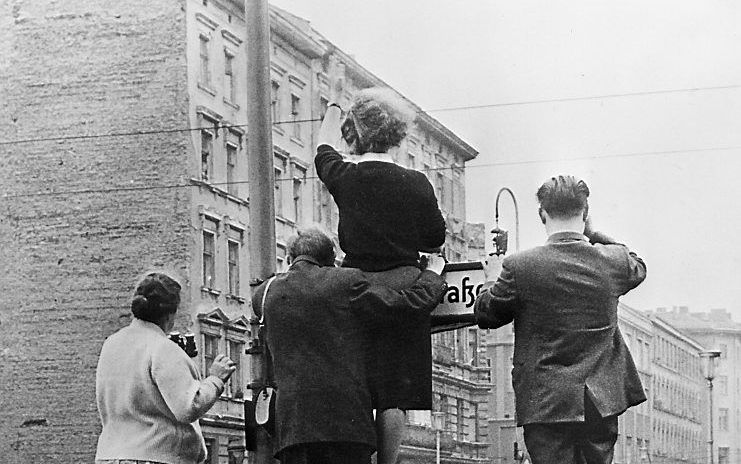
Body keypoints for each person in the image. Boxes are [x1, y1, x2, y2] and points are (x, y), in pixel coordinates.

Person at [315, 65, 446, 464]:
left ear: (355, 132)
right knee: (395, 393)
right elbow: (434, 238)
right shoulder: (417, 182)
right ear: (396, 134)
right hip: (406, 287)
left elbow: (321, 148)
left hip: (356, 289)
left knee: (358, 381)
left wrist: (336, 105)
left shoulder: (345, 177)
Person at [473, 175, 647, 464]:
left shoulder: (520, 266)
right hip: (600, 401)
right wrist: (595, 235)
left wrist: (491, 278)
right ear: (586, 212)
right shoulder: (613, 262)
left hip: (545, 401)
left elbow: (486, 314)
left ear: (542, 214)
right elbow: (636, 263)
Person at [253, 227, 448, 464]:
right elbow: (406, 306)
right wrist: (433, 275)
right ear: (331, 261)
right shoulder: (347, 282)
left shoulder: (264, 295)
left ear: (290, 259)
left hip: (293, 430)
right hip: (346, 428)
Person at [95, 272, 236, 464]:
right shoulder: (162, 349)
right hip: (156, 456)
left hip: (110, 454)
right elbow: (188, 406)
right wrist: (216, 379)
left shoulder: (111, 344)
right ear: (170, 313)